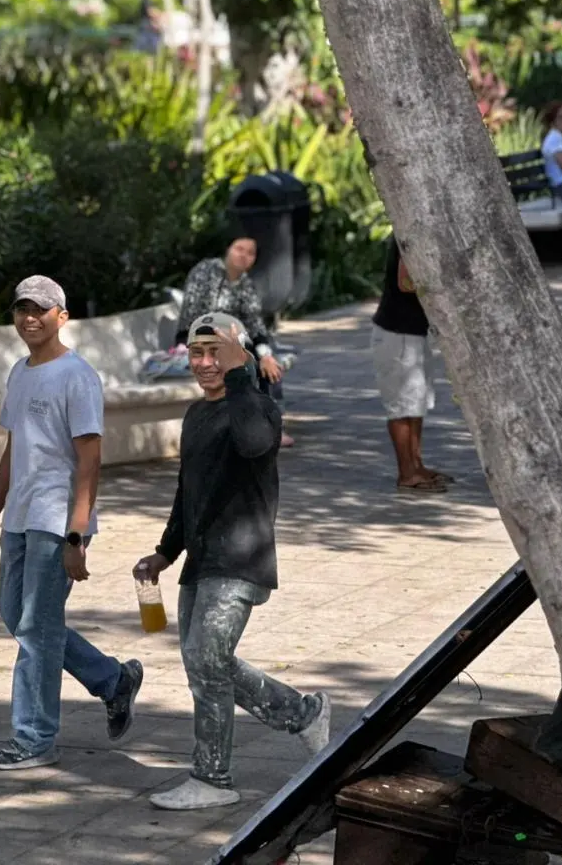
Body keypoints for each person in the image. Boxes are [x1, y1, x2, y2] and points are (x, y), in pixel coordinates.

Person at [135, 312, 331, 811]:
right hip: (200, 560)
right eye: (197, 354)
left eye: (215, 353)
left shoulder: (258, 407)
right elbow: (187, 493)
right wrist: (164, 552)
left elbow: (253, 444)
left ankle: (213, 779)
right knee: (205, 665)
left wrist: (242, 372)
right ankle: (302, 712)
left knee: (206, 658)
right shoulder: (197, 416)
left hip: (243, 557)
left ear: (238, 355)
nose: (204, 364)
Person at [0, 275, 144, 771]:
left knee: (35, 632)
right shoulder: (20, 373)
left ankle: (33, 738)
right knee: (19, 617)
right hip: (20, 517)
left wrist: (77, 534)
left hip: (57, 519)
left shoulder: (77, 376)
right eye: (21, 308)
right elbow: (12, 450)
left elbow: (89, 459)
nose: (29, 317)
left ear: (60, 317)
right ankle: (112, 680)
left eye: (39, 309)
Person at [175, 236, 293, 447]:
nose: (244, 256)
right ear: (227, 249)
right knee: (242, 362)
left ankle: (271, 426)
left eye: (250, 253)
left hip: (233, 339)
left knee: (268, 361)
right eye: (239, 249)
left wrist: (265, 354)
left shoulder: (246, 284)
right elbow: (193, 315)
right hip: (199, 337)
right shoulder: (205, 271)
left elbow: (255, 324)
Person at [371, 236, 452, 494]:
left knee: (416, 402)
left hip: (413, 332)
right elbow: (405, 283)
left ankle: (417, 465)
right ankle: (406, 473)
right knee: (400, 406)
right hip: (397, 333)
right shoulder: (409, 236)